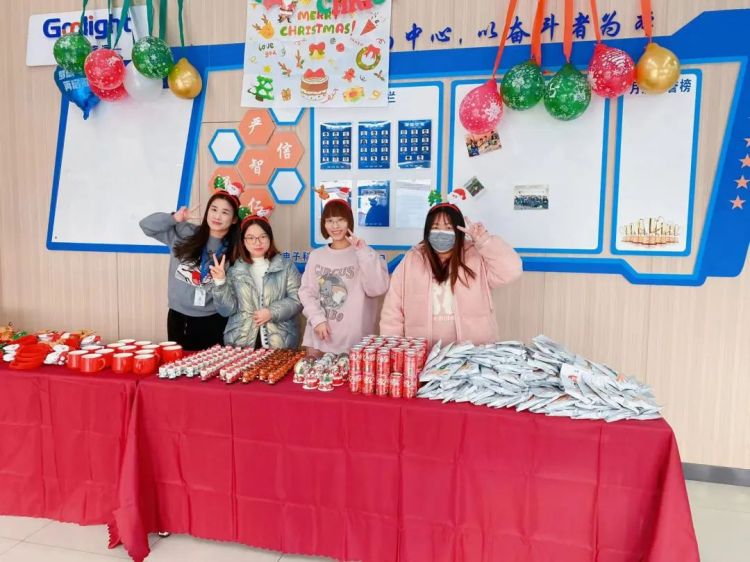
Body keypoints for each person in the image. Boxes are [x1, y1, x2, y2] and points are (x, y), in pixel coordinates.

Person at [380, 202, 522, 346]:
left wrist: (485, 242)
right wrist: (393, 347)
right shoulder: (412, 260)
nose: (441, 233)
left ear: (458, 230)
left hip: (473, 351)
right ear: (427, 231)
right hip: (423, 352)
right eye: (435, 227)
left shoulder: (476, 256)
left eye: (448, 228)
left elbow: (512, 270)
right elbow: (392, 312)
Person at [139, 192, 240, 350]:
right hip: (178, 317)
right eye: (214, 209)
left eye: (225, 212)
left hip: (212, 320)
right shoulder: (185, 232)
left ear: (234, 219)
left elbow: (230, 303)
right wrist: (174, 218)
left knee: (211, 365)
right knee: (178, 363)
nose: (217, 216)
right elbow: (146, 225)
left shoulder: (235, 251)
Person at [299, 199, 389, 355]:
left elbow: (377, 289)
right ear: (324, 224)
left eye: (341, 220)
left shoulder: (365, 253)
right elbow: (306, 292)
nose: (335, 226)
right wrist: (317, 319)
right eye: (330, 221)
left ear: (349, 222)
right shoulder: (316, 256)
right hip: (320, 337)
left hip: (354, 341)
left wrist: (362, 253)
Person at [210, 215, 302, 349]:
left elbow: (297, 300)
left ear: (270, 238)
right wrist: (220, 283)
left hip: (280, 341)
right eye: (250, 238)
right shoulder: (234, 270)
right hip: (241, 341)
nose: (257, 242)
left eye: (262, 237)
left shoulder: (286, 266)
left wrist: (272, 312)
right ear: (243, 241)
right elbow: (226, 310)